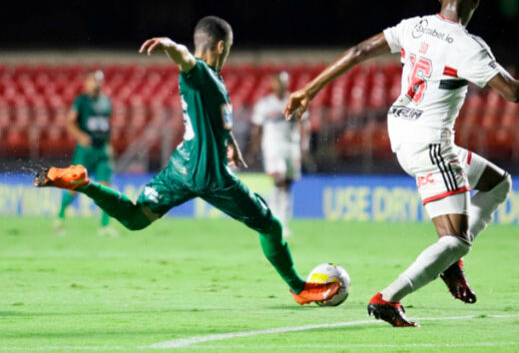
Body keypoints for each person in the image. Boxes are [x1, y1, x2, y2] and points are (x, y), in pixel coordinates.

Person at [285, 0, 519, 327]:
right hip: (430, 143)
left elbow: (361, 50)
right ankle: (388, 299)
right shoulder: (468, 46)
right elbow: (514, 92)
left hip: (402, 131)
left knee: (497, 183)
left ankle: (448, 264)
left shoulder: (414, 26)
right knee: (457, 240)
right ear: (476, 2)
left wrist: (308, 90)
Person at [35, 16, 339, 306]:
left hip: (181, 166)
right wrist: (170, 45)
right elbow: (186, 60)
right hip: (208, 173)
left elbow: (213, 119)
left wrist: (229, 143)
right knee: (270, 226)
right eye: (229, 48)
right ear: (222, 46)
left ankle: (83, 183)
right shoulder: (202, 73)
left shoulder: (214, 83)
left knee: (136, 218)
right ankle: (299, 289)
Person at [55, 70, 118, 237]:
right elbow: (70, 122)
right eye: (93, 81)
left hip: (102, 149)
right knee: (75, 187)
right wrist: (80, 136)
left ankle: (104, 226)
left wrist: (109, 146)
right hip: (85, 151)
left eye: (99, 81)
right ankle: (60, 218)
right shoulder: (81, 101)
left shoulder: (106, 102)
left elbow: (108, 126)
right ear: (87, 82)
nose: (97, 84)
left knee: (106, 188)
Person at [249, 71, 310, 234]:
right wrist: (253, 149)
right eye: (278, 82)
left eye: (284, 82)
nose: (281, 85)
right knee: (280, 178)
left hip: (291, 146)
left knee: (287, 183)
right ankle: (278, 220)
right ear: (273, 83)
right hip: (272, 146)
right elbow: (257, 128)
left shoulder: (295, 102)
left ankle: (281, 218)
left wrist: (305, 145)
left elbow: (305, 124)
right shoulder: (265, 104)